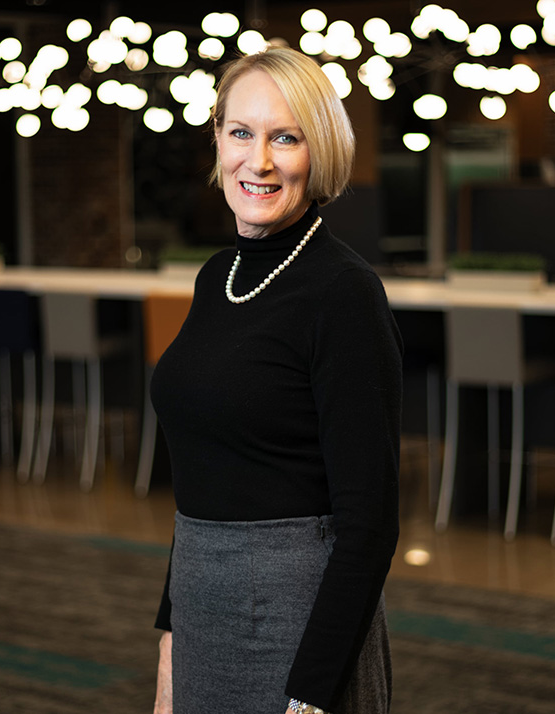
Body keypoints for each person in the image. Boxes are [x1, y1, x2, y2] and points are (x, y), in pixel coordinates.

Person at [150, 47, 402, 714]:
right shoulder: (216, 276)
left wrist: (312, 697)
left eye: (284, 137)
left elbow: (370, 522)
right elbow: (204, 467)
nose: (258, 161)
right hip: (203, 612)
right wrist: (169, 652)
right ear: (218, 140)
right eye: (241, 132)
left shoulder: (344, 293)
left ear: (317, 152)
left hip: (299, 629)